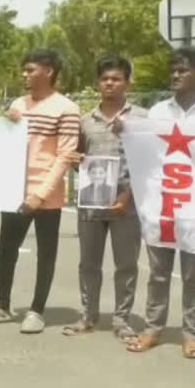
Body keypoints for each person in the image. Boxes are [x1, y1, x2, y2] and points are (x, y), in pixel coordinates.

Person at [122, 46, 195, 358]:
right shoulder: (157, 112)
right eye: (172, 69)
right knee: (158, 272)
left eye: (183, 70)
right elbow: (144, 152)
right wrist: (126, 133)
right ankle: (153, 329)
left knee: (192, 274)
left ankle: (191, 333)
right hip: (162, 202)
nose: (175, 74)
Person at [0, 49, 80, 334]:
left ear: (48, 71)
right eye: (24, 70)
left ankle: (36, 311)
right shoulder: (18, 103)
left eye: (30, 70)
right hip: (14, 189)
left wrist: (40, 194)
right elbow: (5, 145)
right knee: (6, 250)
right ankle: (2, 306)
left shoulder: (66, 108)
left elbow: (65, 156)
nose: (25, 75)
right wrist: (7, 121)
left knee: (46, 253)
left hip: (46, 193)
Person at [60, 55, 145, 344]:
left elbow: (150, 163)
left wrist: (128, 197)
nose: (110, 83)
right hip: (92, 201)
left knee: (126, 265)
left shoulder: (142, 119)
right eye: (105, 79)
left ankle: (122, 320)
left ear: (128, 82)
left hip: (128, 202)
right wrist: (75, 160)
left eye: (116, 78)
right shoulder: (85, 121)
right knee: (89, 263)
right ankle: (88, 315)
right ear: (98, 83)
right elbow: (78, 157)